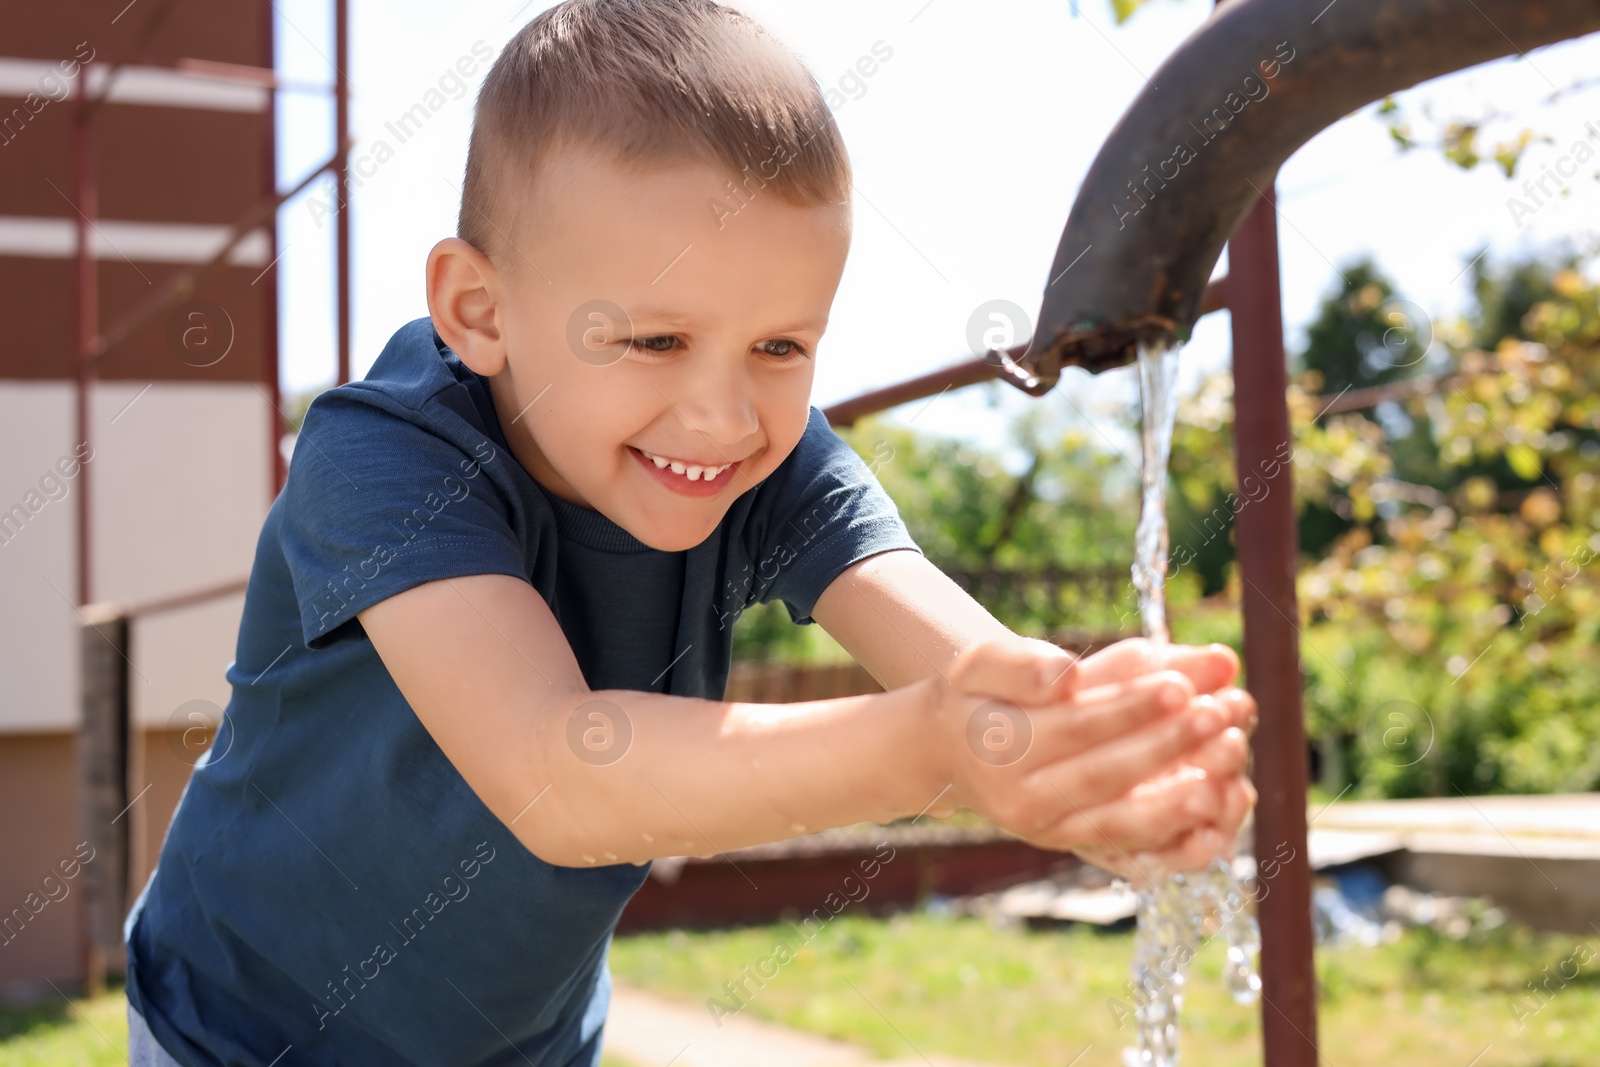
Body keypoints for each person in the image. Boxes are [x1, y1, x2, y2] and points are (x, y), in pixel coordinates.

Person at [123, 1, 1257, 1064]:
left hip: (520, 1039)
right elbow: (553, 775)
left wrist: (1092, 761)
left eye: (780, 346)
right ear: (479, 310)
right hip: (239, 1022)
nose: (724, 414)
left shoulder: (776, 460)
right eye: (656, 341)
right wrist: (935, 746)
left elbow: (969, 672)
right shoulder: (383, 455)